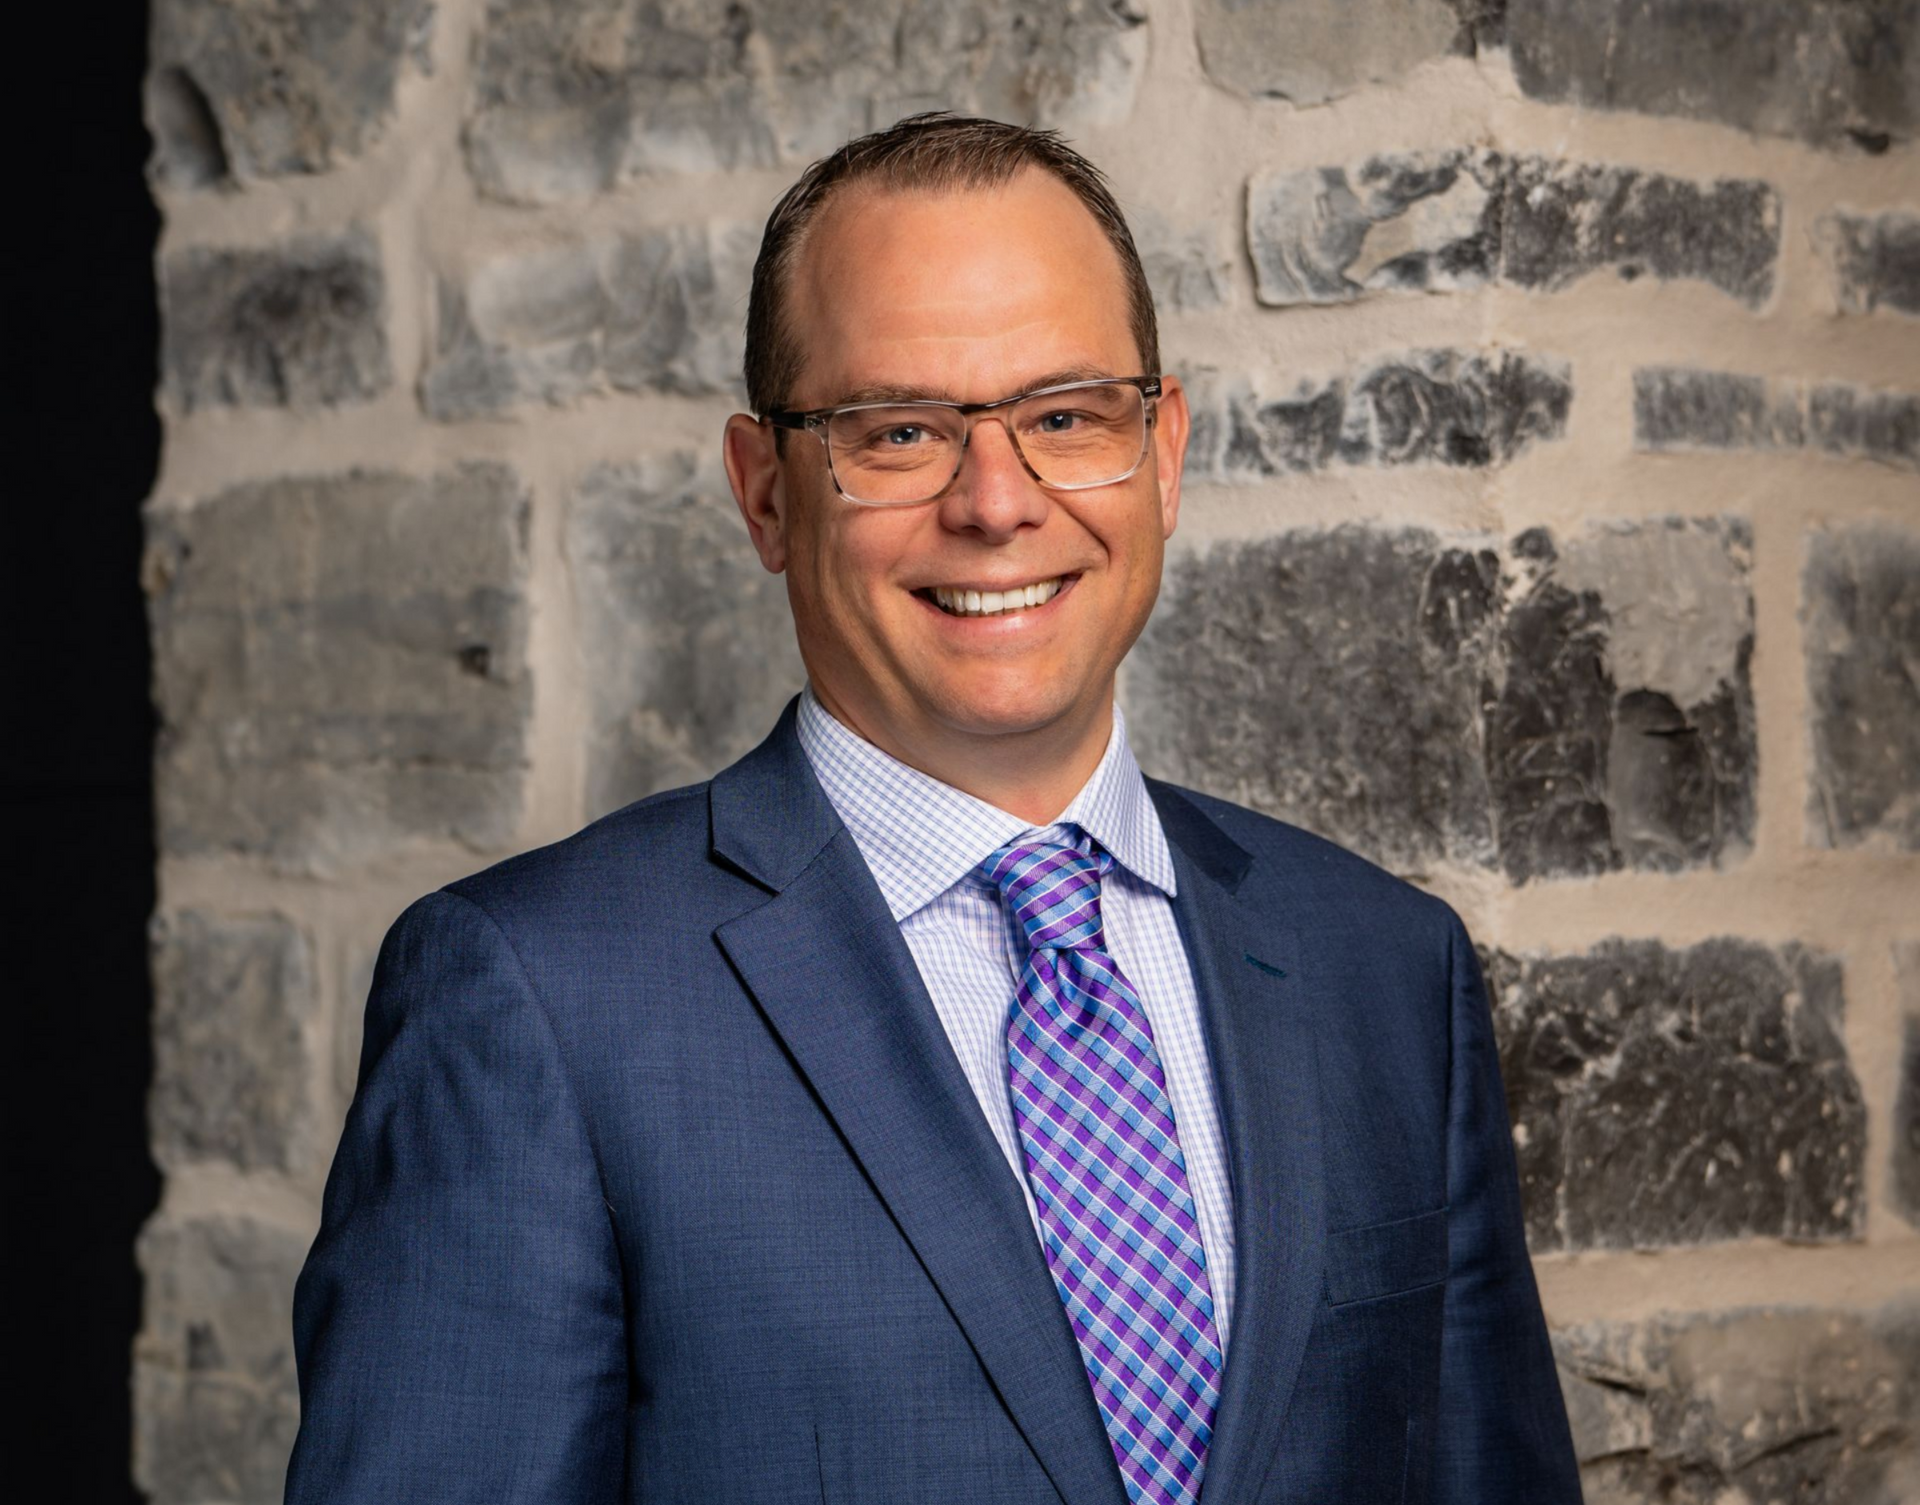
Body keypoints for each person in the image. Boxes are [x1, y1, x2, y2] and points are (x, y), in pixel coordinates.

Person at [284, 113, 1582, 1505]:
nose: (996, 503)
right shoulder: (536, 998)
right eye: (899, 432)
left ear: (1163, 454)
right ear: (765, 494)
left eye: (1066, 417)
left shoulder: (1385, 969)